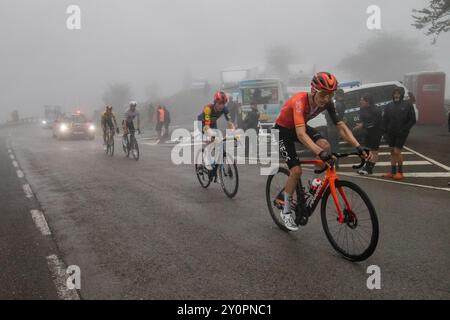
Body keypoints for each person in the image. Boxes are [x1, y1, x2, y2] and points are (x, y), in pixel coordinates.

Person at [274, 72, 371, 231]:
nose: (326, 99)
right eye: (323, 94)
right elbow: (300, 134)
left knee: (325, 145)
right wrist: (319, 152)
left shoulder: (327, 103)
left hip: (300, 127)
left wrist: (358, 146)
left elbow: (340, 126)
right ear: (313, 90)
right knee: (296, 170)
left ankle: (314, 183)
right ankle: (285, 210)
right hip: (282, 131)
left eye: (330, 95)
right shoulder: (299, 101)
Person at [382, 87, 416, 180]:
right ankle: (392, 172)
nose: (396, 95)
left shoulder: (408, 105)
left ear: (401, 94)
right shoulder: (389, 105)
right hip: (390, 133)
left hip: (401, 133)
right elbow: (385, 119)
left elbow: (412, 120)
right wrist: (384, 132)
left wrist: (405, 129)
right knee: (392, 152)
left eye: (398, 93)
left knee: (397, 151)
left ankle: (400, 172)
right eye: (395, 93)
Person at [354, 94, 382, 175]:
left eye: (362, 100)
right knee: (368, 150)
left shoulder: (376, 109)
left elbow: (375, 123)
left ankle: (369, 169)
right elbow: (363, 120)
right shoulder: (362, 109)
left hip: (376, 132)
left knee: (374, 151)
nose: (360, 101)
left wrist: (363, 125)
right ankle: (367, 167)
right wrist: (361, 124)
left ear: (367, 101)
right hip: (367, 132)